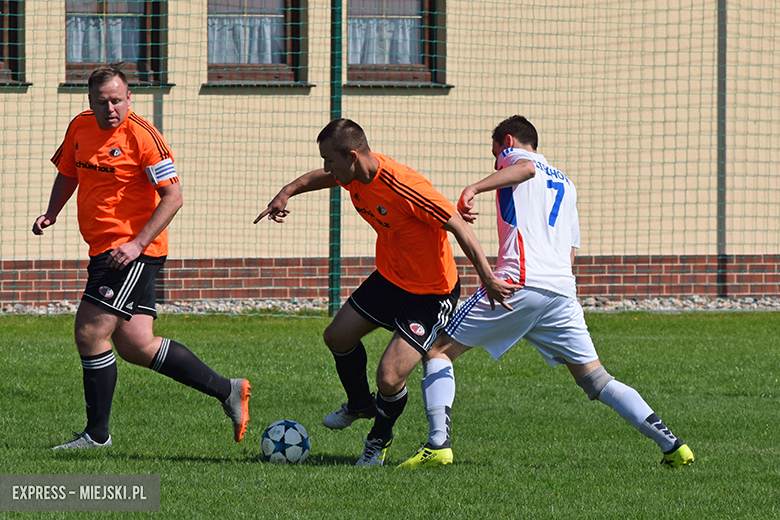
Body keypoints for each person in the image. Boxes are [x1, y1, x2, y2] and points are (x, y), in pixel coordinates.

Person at [399, 115, 694, 469]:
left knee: (437, 350)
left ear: (508, 141)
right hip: (560, 292)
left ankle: (437, 445)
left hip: (518, 283)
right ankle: (673, 446)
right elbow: (571, 250)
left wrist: (473, 188)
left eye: (495, 153)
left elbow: (524, 169)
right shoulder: (568, 184)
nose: (496, 162)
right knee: (597, 379)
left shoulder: (515, 159)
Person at [255, 118, 516, 466]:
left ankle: (379, 439)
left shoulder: (405, 187)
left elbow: (457, 225)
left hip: (430, 291)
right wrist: (286, 192)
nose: (325, 168)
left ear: (351, 156)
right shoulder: (353, 175)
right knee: (336, 337)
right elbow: (321, 178)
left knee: (390, 377)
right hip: (391, 278)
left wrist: (486, 276)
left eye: (329, 160)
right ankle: (360, 405)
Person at [33, 63, 251, 450]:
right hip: (103, 247)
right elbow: (69, 171)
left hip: (131, 251)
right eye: (103, 101)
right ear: (90, 101)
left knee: (90, 331)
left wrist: (136, 244)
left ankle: (97, 436)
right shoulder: (78, 127)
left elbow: (174, 197)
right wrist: (52, 211)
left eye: (117, 100)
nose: (111, 108)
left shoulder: (144, 136)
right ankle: (228, 389)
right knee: (136, 343)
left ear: (129, 97)